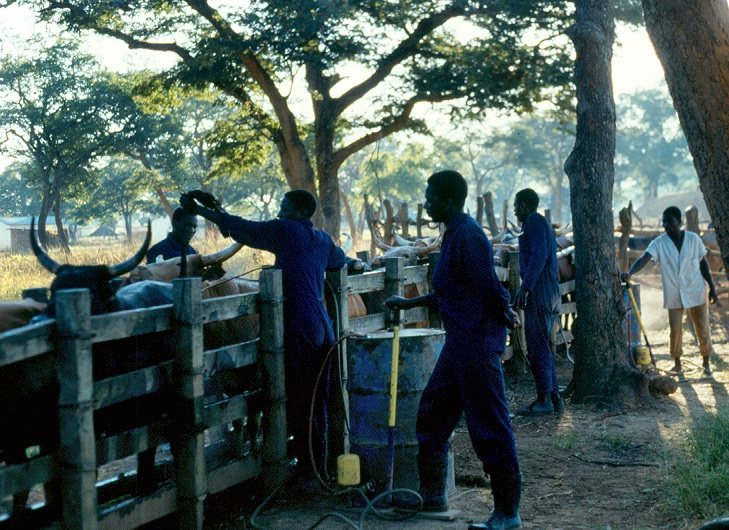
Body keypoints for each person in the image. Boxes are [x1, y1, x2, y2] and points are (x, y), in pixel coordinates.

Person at [180, 189, 346, 489]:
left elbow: (245, 228)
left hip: (300, 326)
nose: (279, 211)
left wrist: (200, 210)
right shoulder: (322, 238)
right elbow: (339, 261)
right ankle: (320, 468)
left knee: (300, 400)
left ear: (299, 212)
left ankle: (309, 474)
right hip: (323, 326)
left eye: (284, 206)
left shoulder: (285, 230)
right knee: (318, 398)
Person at [386, 170, 522, 530]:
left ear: (448, 200)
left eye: (431, 197)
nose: (427, 203)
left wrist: (504, 314)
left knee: (489, 425)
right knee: (432, 413)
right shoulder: (452, 233)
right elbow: (452, 291)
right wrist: (407, 303)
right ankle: (433, 496)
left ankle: (507, 513)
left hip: (476, 342)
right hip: (458, 343)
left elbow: (489, 288)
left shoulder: (468, 235)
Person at [621, 206, 718, 375]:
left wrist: (712, 288)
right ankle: (677, 362)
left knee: (702, 327)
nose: (666, 225)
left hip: (696, 289)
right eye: (664, 222)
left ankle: (706, 361)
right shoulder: (659, 243)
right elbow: (644, 258)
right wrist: (630, 273)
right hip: (674, 292)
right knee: (675, 330)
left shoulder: (693, 239)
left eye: (670, 221)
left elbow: (703, 264)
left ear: (679, 222)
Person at [512, 188, 563, 416]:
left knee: (537, 347)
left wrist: (525, 287)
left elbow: (539, 256)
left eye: (516, 206)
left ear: (524, 205)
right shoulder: (537, 223)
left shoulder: (534, 221)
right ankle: (554, 398)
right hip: (547, 290)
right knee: (542, 345)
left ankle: (544, 400)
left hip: (541, 291)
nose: (515, 211)